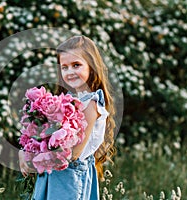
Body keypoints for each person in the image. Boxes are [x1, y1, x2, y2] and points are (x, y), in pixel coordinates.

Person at [19, 35, 116, 200]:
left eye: (76, 65)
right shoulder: (68, 100)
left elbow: (73, 154)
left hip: (70, 176)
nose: (70, 72)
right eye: (65, 67)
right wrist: (29, 148)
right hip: (56, 173)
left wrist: (33, 157)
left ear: (91, 66)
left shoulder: (91, 105)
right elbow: (47, 137)